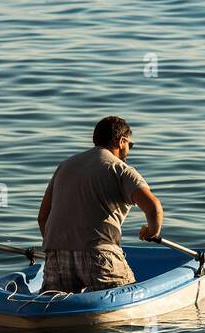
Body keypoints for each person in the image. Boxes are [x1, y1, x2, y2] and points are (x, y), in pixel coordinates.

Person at [37, 115, 163, 293]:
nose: (129, 150)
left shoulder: (65, 166)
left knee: (54, 307)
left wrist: (58, 248)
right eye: (130, 145)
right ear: (122, 141)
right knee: (129, 298)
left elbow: (43, 217)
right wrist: (152, 231)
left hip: (57, 255)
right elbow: (153, 207)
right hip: (99, 255)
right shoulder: (120, 169)